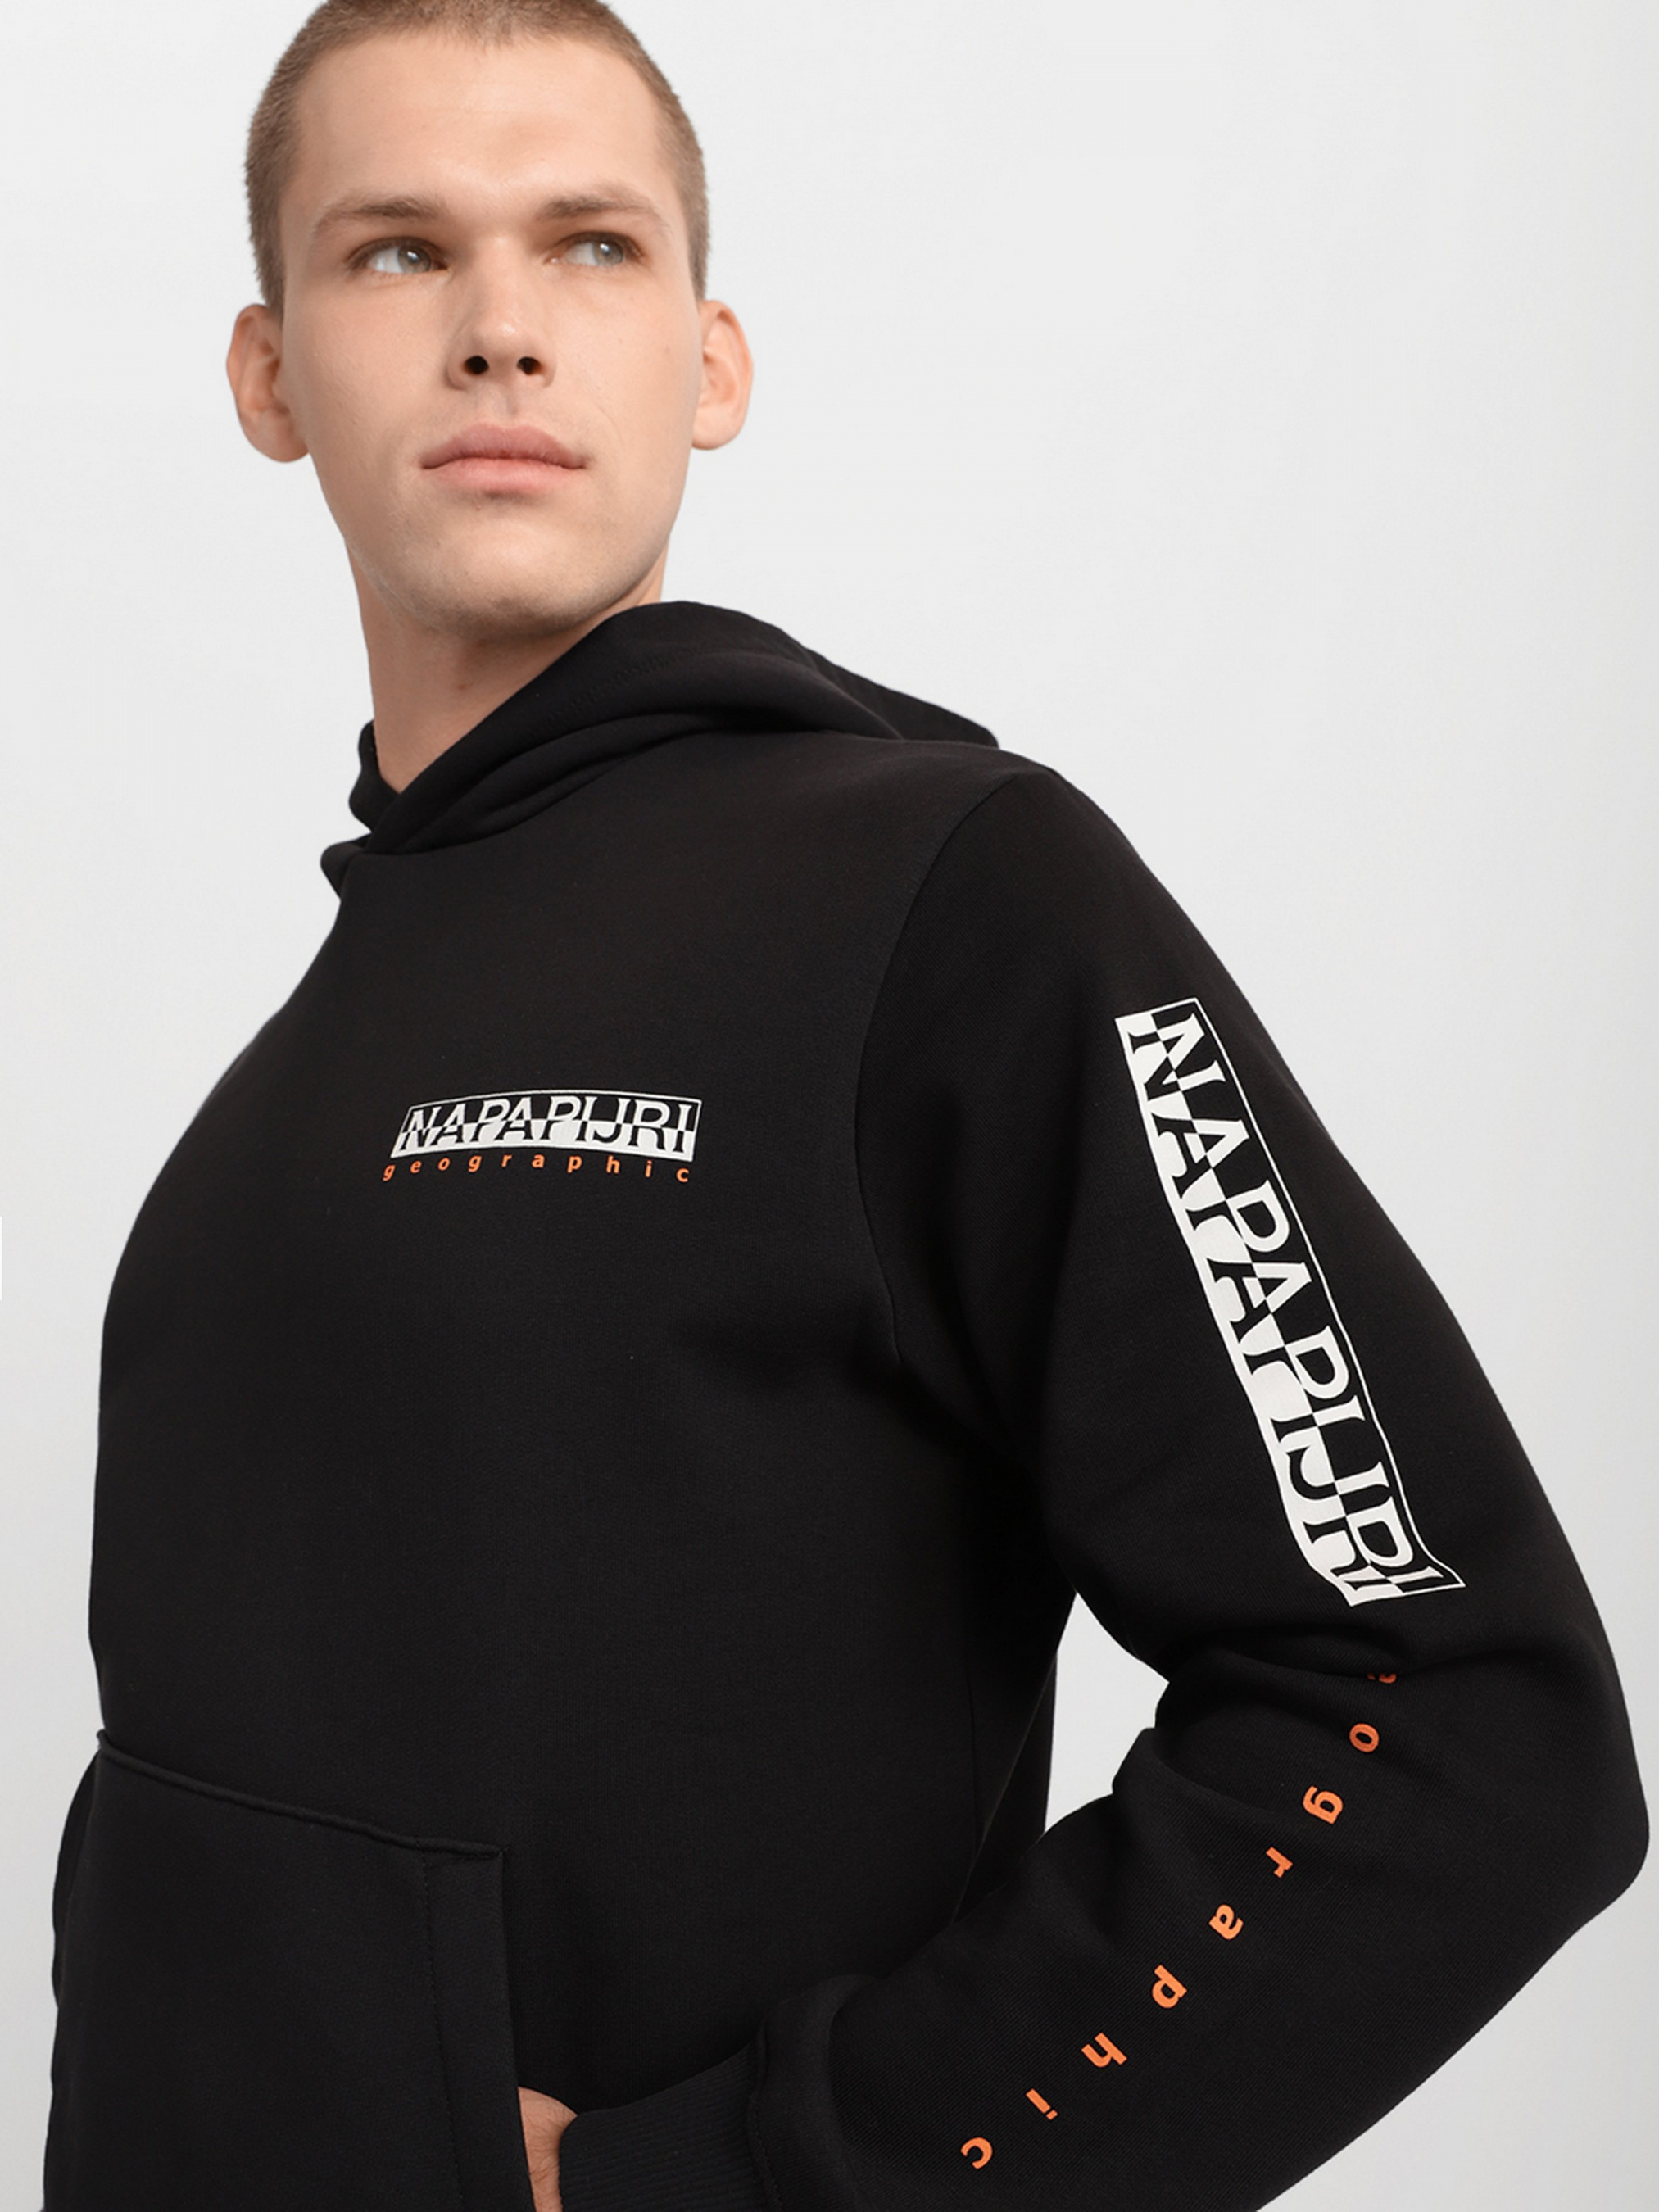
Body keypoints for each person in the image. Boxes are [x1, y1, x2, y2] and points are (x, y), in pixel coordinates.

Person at [39, 2, 1646, 2209]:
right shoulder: (318, 1029)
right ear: (267, 372)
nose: (500, 323)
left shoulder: (952, 895)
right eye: (397, 249)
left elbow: (1455, 1724)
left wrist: (728, 2180)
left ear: (709, 361)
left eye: (590, 245)